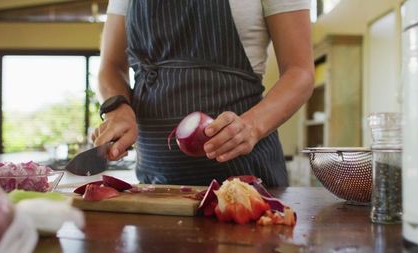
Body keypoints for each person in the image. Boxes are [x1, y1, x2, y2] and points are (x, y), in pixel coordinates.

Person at [92, 0, 314, 187]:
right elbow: (110, 66)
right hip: (155, 185)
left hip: (245, 179)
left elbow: (300, 72)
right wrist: (117, 108)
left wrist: (252, 126)